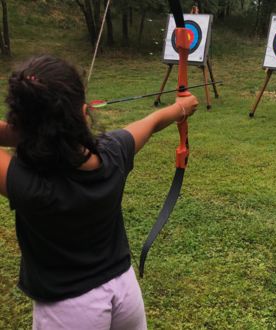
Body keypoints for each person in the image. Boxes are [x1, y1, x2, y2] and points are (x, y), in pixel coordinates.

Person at [0, 55, 198, 330]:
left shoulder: (29, 184)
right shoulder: (113, 152)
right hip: (124, 293)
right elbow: (152, 122)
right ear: (83, 114)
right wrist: (181, 109)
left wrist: (35, 130)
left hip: (68, 310)